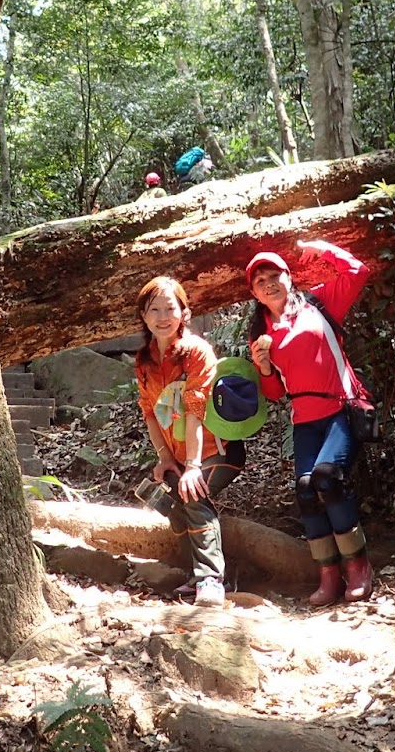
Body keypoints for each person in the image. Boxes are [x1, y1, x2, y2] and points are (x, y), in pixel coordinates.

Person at [245, 241, 374, 606]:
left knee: (327, 479)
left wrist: (321, 248)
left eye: (275, 275)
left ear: (289, 277)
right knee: (305, 489)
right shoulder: (261, 332)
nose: (269, 284)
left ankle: (358, 567)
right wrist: (264, 367)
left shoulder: (318, 303)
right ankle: (328, 575)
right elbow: (274, 392)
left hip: (340, 409)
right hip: (304, 421)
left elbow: (358, 272)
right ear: (254, 294)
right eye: (260, 282)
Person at [133, 277, 249, 607]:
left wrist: (193, 467)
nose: (162, 317)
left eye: (170, 308)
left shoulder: (196, 351)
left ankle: (212, 579)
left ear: (184, 312)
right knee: (169, 504)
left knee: (192, 493)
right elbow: (150, 413)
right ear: (143, 316)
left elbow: (195, 412)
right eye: (154, 310)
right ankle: (196, 575)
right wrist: (165, 459)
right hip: (179, 456)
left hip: (218, 451)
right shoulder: (144, 361)